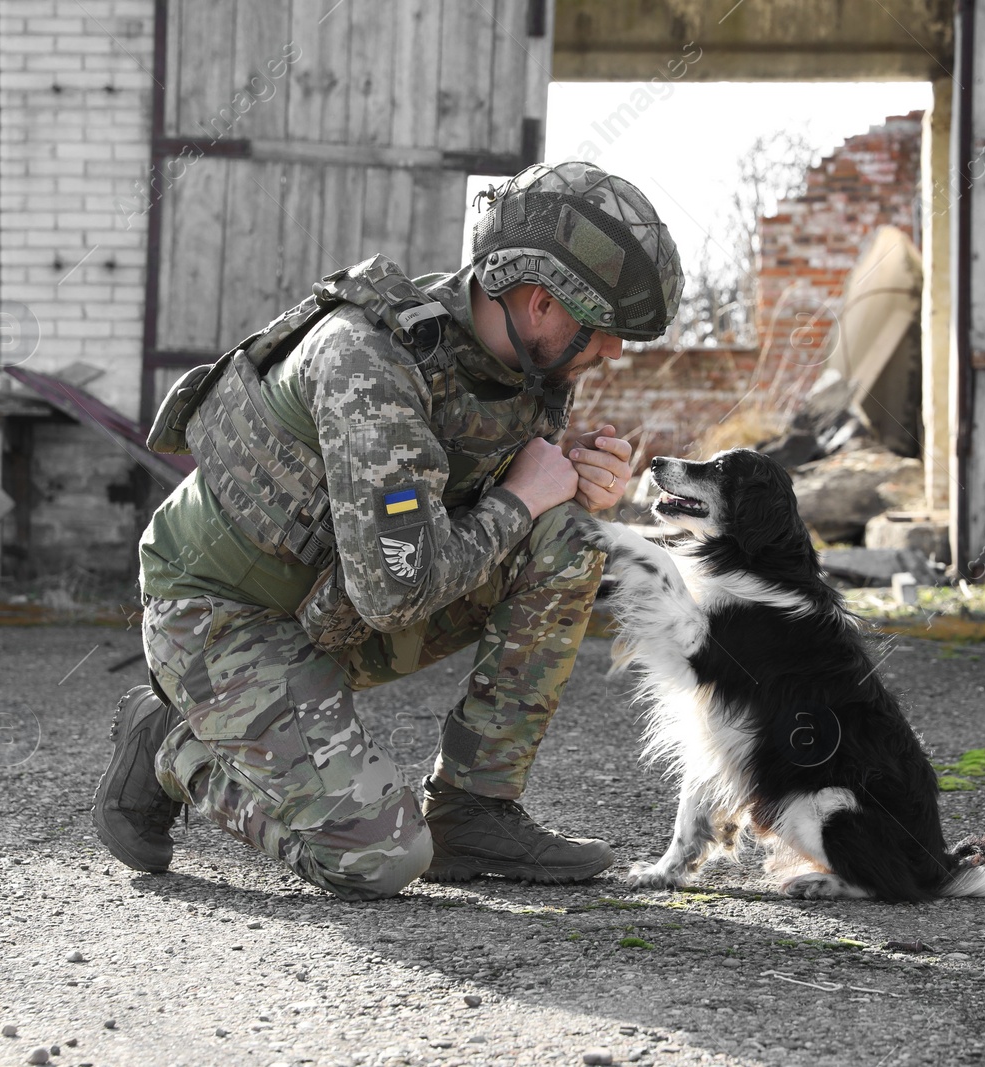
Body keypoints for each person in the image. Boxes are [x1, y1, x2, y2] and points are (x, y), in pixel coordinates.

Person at [91, 162, 683, 900]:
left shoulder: (527, 368)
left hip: (332, 601)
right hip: (220, 616)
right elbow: (396, 597)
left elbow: (469, 520)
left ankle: (474, 807)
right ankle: (170, 749)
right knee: (379, 859)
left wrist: (575, 485)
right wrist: (522, 501)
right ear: (538, 303)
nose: (612, 354)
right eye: (603, 333)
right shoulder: (368, 361)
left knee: (566, 535)